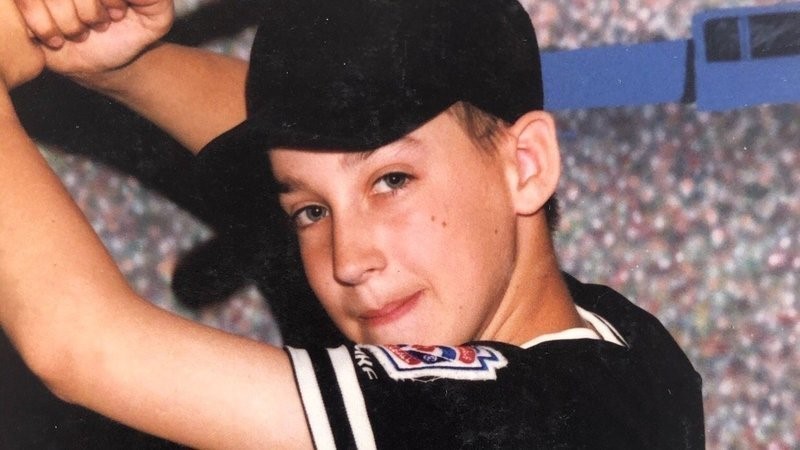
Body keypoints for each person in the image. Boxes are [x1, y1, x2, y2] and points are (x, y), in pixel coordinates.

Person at [1, 0, 704, 447]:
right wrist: (120, 65)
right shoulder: (621, 348)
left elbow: (85, 348)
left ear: (526, 165)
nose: (347, 258)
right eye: (310, 211)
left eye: (392, 181)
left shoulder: (510, 422)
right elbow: (302, 143)